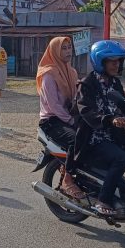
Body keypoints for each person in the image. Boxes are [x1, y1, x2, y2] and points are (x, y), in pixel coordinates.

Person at [73, 40, 125, 216]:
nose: (116, 64)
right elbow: (86, 111)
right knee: (122, 159)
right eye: (112, 61)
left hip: (116, 135)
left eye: (118, 61)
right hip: (94, 138)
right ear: (100, 62)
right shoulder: (86, 84)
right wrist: (110, 120)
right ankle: (104, 199)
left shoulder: (115, 84)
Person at [36, 37, 83, 199]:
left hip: (68, 116)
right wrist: (71, 121)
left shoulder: (72, 72)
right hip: (52, 120)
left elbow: (77, 98)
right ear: (55, 51)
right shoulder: (48, 74)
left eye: (69, 47)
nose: (68, 51)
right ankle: (67, 180)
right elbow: (54, 105)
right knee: (76, 139)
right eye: (63, 48)